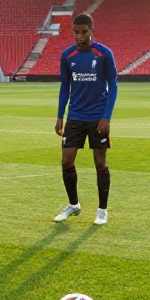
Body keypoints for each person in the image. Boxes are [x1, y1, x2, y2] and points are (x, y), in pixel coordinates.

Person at [53, 13, 117, 225]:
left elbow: (113, 85)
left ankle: (102, 210)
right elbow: (65, 86)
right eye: (76, 33)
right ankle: (74, 205)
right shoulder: (67, 56)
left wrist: (106, 117)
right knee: (66, 161)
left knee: (100, 163)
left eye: (83, 32)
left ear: (91, 30)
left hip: (97, 117)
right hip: (75, 117)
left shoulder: (104, 54)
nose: (79, 37)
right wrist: (60, 115)